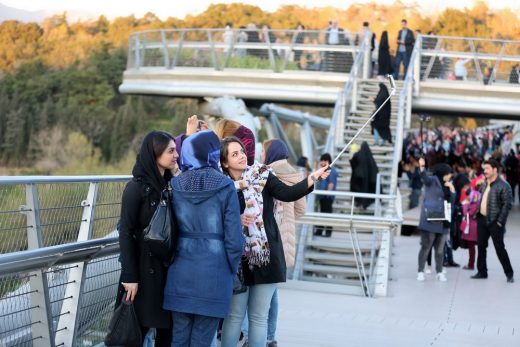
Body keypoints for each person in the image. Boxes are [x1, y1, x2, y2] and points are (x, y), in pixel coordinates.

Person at [219, 137, 330, 347]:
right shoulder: (221, 184)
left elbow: (287, 194)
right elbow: (213, 215)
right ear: (224, 162)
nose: (242, 156)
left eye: (241, 151)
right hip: (236, 258)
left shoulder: (261, 174)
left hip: (266, 254)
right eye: (234, 154)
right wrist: (234, 218)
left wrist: (312, 178)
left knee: (258, 317)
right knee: (233, 316)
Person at [163, 130, 245, 346]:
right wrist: (230, 268)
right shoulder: (225, 185)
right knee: (202, 338)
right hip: (215, 273)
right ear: (213, 153)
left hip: (180, 270)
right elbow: (234, 239)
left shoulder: (176, 185)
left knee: (179, 337)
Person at [118, 131, 178, 346]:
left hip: (167, 269)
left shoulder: (171, 187)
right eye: (171, 150)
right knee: (136, 331)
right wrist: (130, 276)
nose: (176, 155)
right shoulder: (136, 188)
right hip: (142, 270)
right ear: (155, 153)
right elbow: (125, 232)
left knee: (167, 330)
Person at [471, 159, 514, 283]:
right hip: (482, 219)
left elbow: (507, 205)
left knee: (499, 248)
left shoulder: (504, 185)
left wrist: (500, 222)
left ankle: (509, 273)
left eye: (487, 168)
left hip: (495, 222)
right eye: (484, 169)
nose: (484, 171)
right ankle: (482, 272)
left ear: (495, 170)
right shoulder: (484, 183)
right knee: (481, 246)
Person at [416, 158, 454, 282]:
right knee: (426, 247)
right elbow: (424, 178)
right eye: (449, 173)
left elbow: (453, 201)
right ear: (444, 173)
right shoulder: (432, 180)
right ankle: (420, 271)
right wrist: (422, 167)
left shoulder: (448, 185)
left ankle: (439, 271)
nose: (450, 175)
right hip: (430, 219)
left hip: (444, 221)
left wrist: (452, 189)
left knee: (440, 249)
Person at [314, 153, 338, 237]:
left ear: (327, 161)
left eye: (323, 160)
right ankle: (320, 231)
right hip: (322, 196)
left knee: (327, 214)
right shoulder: (324, 170)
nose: (321, 162)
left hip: (327, 196)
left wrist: (327, 195)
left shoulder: (331, 170)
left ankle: (328, 231)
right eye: (321, 160)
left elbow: (331, 183)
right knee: (322, 213)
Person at [460, 181, 481, 270]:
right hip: (475, 225)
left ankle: (471, 264)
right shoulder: (478, 201)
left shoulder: (473, 204)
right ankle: (472, 264)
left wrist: (465, 205)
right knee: (472, 247)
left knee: (471, 247)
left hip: (471, 226)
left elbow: (467, 213)